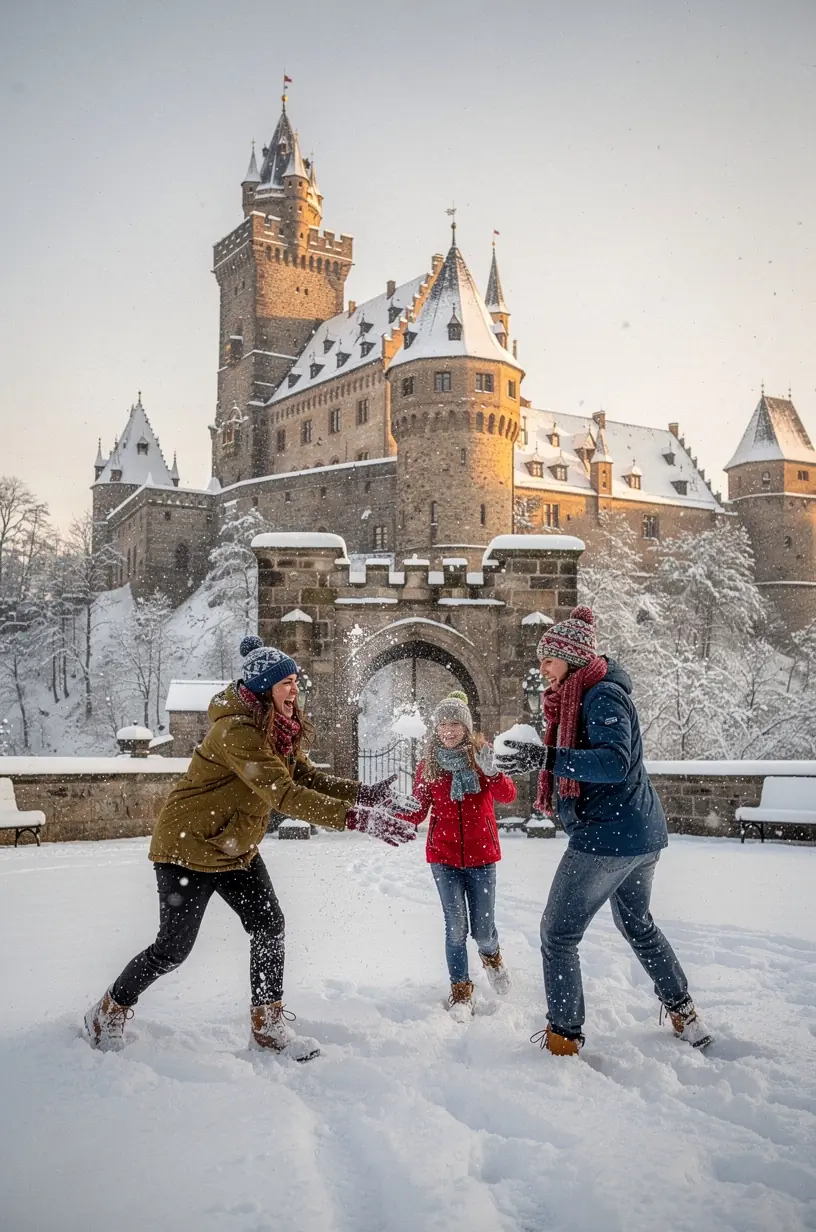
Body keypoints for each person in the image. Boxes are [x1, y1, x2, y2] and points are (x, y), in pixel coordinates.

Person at [84, 635, 416, 1061]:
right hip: (188, 847)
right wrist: (355, 819)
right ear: (262, 689)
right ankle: (108, 1009)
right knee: (173, 949)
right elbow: (283, 793)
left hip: (235, 847)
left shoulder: (278, 729)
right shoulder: (236, 731)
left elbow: (305, 778)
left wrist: (368, 795)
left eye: (296, 681)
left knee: (269, 924)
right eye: (286, 683)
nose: (295, 689)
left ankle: (268, 1024)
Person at [496, 607, 712, 1056]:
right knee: (637, 923)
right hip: (639, 834)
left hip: (609, 837)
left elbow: (614, 763)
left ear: (571, 658)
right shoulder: (582, 695)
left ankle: (564, 1037)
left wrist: (547, 758)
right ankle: (684, 1012)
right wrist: (546, 756)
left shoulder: (602, 696)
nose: (542, 669)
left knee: (558, 934)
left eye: (548, 660)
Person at [409, 691, 517, 1020]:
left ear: (466, 727)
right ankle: (461, 991)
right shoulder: (428, 766)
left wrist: (493, 772)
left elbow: (508, 796)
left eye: (455, 723)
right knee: (455, 928)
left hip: (482, 856)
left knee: (482, 929)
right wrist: (389, 810)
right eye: (443, 724)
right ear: (436, 729)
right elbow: (416, 811)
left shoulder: (481, 757)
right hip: (443, 858)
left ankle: (492, 956)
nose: (449, 730)